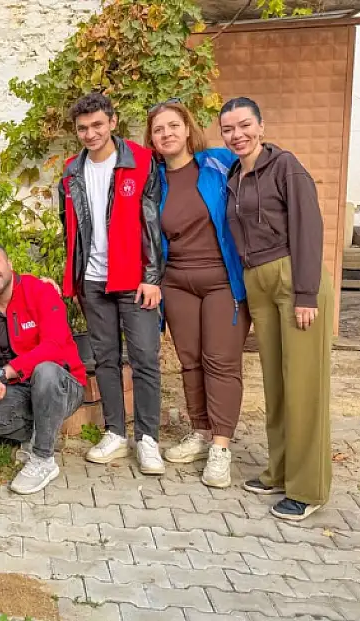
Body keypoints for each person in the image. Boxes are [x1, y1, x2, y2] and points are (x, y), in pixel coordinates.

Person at [219, 97, 333, 521]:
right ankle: (280, 471)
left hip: (293, 277)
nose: (237, 135)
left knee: (304, 386)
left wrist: (305, 293)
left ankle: (308, 488)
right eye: (228, 129)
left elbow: (309, 226)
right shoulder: (234, 174)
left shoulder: (285, 166)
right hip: (258, 281)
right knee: (277, 384)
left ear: (261, 126)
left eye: (245, 125)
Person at [58, 93, 165, 474]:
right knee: (104, 359)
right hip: (92, 281)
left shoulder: (141, 161)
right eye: (83, 128)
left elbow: (152, 223)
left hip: (134, 281)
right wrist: (73, 279)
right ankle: (116, 433)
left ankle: (148, 439)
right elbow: (68, 227)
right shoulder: (71, 171)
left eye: (97, 125)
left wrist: (152, 277)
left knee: (144, 359)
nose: (90, 133)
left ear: (112, 122)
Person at [145, 100, 250, 489]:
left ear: (187, 129)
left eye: (173, 126)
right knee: (189, 360)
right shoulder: (153, 180)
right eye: (159, 130)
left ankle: (221, 447)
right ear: (152, 140)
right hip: (176, 282)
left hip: (223, 280)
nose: (167, 134)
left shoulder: (219, 162)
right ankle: (200, 430)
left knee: (220, 360)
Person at [0, 242, 86, 495]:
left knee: (45, 370)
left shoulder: (40, 291)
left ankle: (43, 458)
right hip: (19, 389)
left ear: (9, 264)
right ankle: (39, 433)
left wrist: (5, 373)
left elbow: (54, 346)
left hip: (62, 383)